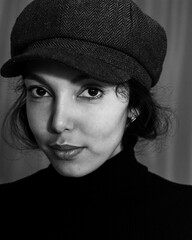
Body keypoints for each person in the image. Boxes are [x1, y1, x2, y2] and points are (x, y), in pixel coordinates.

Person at [0, 0, 192, 239]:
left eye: (91, 91)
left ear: (135, 105)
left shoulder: (185, 217)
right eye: (40, 91)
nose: (58, 123)